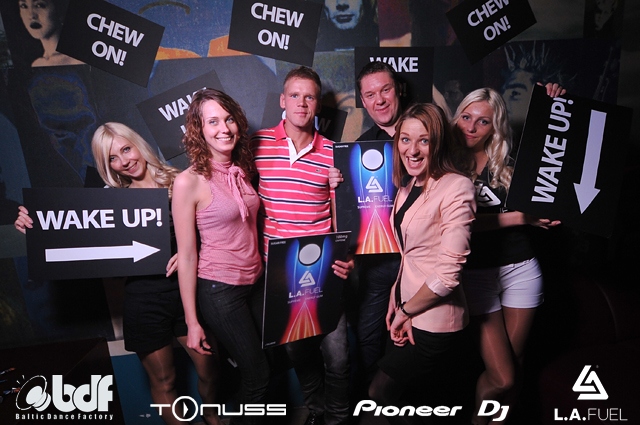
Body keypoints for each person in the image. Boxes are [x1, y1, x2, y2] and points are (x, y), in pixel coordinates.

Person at [14, 122, 222, 425]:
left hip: (189, 295)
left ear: (139, 145)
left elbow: (217, 230)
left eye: (126, 149)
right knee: (165, 382)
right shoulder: (110, 202)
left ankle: (213, 418)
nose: (124, 161)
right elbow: (64, 225)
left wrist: (193, 252)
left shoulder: (180, 181)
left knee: (210, 371)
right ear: (106, 165)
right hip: (144, 302)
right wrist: (33, 223)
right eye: (112, 158)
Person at [451, 85, 563, 425]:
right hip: (477, 274)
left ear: (494, 127)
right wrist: (521, 218)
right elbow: (461, 224)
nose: (471, 127)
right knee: (503, 376)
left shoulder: (510, 163)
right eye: (466, 117)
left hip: (522, 268)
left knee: (517, 362)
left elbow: (559, 154)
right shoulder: (444, 163)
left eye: (482, 121)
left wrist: (556, 107)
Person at [251, 66, 354, 425]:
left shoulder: (334, 153)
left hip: (324, 269)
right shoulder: (257, 144)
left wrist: (348, 257)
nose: (301, 103)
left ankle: (337, 420)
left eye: (309, 97)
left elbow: (345, 215)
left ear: (318, 105)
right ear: (282, 100)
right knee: (297, 352)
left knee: (338, 356)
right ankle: (318, 410)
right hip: (279, 271)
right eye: (294, 95)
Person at [368, 103, 476, 424]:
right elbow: (411, 253)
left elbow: (447, 276)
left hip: (435, 320)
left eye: (424, 141)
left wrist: (406, 310)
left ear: (438, 143)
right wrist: (396, 295)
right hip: (409, 307)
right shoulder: (409, 186)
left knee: (380, 393)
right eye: (405, 139)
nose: (412, 150)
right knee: (418, 400)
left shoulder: (457, 187)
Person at [172, 89, 269, 425]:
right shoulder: (188, 182)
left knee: (272, 361)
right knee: (258, 377)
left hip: (256, 282)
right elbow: (187, 255)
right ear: (199, 129)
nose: (224, 128)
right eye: (213, 122)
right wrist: (192, 322)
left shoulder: (242, 169)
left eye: (228, 119)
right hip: (220, 290)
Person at [18, 0, 83, 67]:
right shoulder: (37, 64)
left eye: (39, 5)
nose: (31, 15)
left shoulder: (76, 60)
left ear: (60, 10)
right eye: (24, 6)